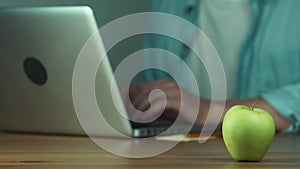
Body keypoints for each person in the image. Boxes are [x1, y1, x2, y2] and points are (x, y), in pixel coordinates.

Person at [127, 0, 300, 133]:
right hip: (180, 155)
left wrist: (208, 111)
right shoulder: (168, 5)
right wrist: (133, 99)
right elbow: (154, 87)